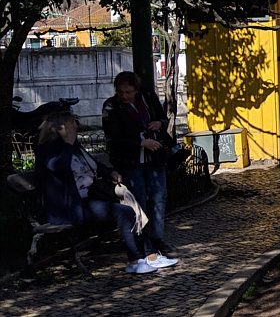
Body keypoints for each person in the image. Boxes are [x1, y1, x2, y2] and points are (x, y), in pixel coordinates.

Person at [36, 109, 175, 273]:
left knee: (133, 205)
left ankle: (150, 256)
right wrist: (68, 144)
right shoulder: (47, 149)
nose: (76, 126)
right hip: (70, 206)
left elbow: (94, 164)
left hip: (90, 196)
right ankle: (134, 260)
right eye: (72, 123)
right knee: (124, 212)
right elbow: (59, 167)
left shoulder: (74, 146)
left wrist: (111, 173)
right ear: (61, 127)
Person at [103, 71, 177, 258]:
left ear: (136, 90)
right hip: (131, 161)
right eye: (120, 92)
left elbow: (163, 118)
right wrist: (140, 143)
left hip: (154, 158)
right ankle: (142, 242)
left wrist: (159, 123)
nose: (124, 96)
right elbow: (113, 138)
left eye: (128, 92)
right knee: (139, 200)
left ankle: (156, 239)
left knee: (158, 197)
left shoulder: (148, 98)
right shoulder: (111, 106)